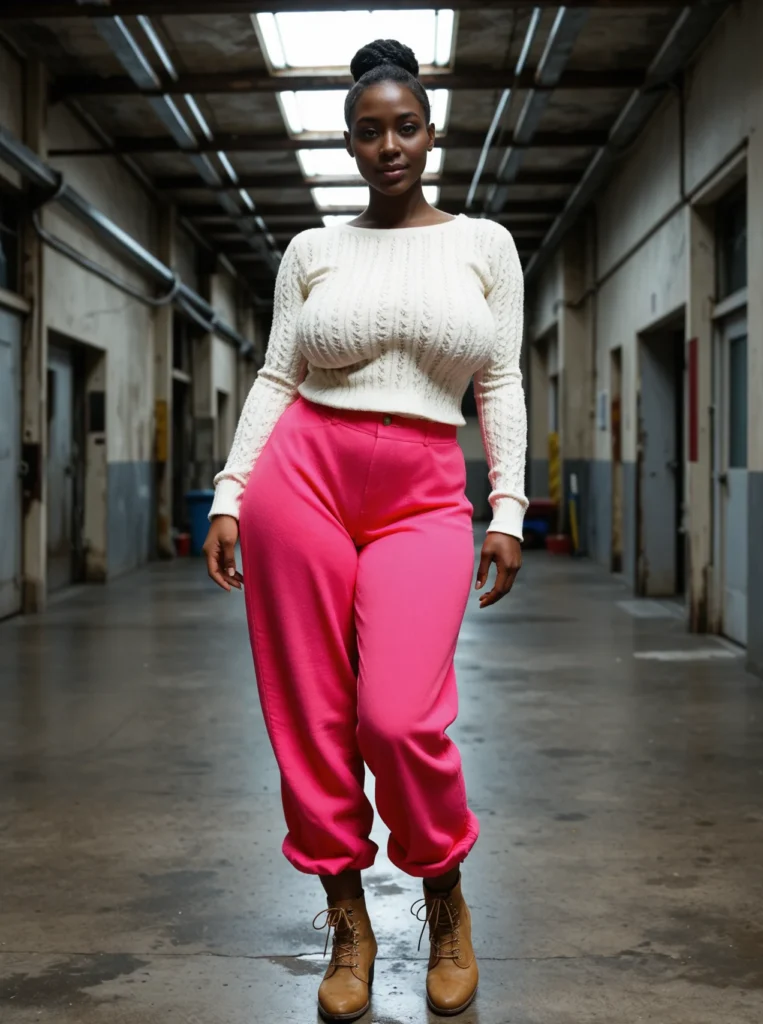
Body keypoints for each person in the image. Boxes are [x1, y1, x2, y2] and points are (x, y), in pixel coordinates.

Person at [203, 37, 528, 1022]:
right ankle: (348, 921)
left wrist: (509, 505)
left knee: (397, 717)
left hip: (424, 489)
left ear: (430, 133)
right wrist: (229, 491)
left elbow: (499, 380)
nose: (389, 145)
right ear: (348, 142)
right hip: (302, 477)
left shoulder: (483, 245)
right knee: (309, 716)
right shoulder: (313, 251)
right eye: (369, 131)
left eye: (405, 127)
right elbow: (277, 375)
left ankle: (444, 897)